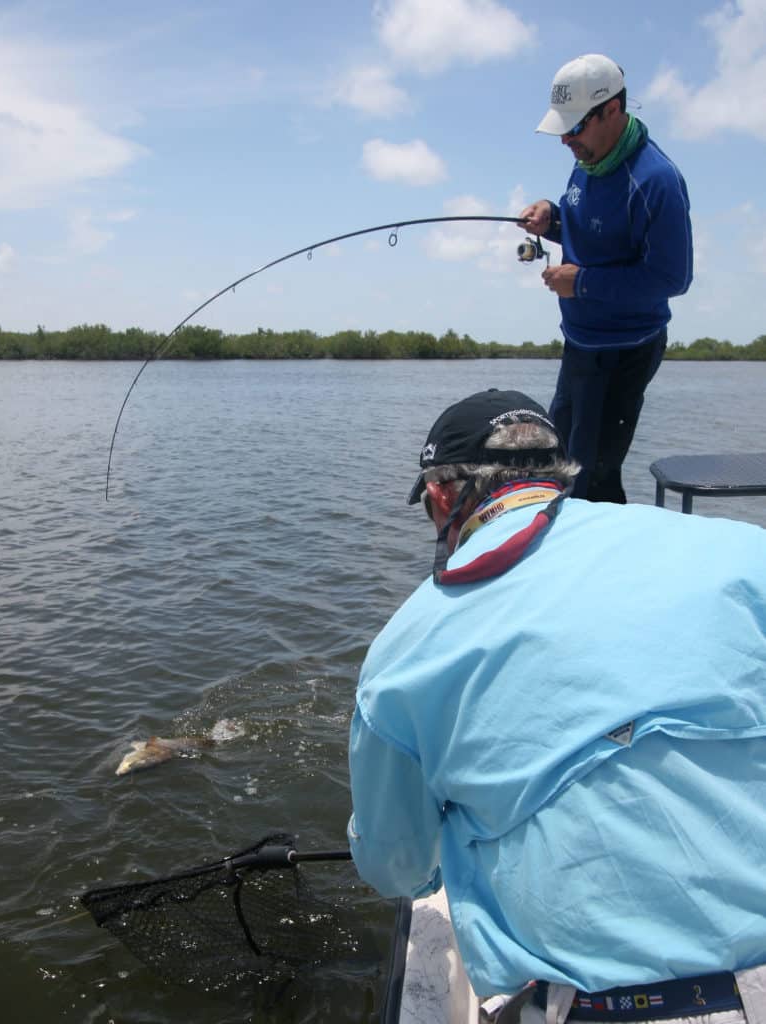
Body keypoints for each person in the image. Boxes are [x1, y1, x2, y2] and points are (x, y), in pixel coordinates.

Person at [348, 388, 766, 1024]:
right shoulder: (739, 549)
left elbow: (396, 864)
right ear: (558, 474)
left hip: (598, 1002)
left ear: (440, 497)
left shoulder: (404, 653)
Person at [519, 54, 693, 503]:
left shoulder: (657, 181)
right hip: (580, 343)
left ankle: (606, 564)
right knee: (559, 461)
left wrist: (582, 284)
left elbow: (673, 277)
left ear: (611, 111)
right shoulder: (588, 159)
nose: (565, 140)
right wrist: (551, 218)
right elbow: (589, 229)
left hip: (624, 351)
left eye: (573, 127)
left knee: (591, 477)